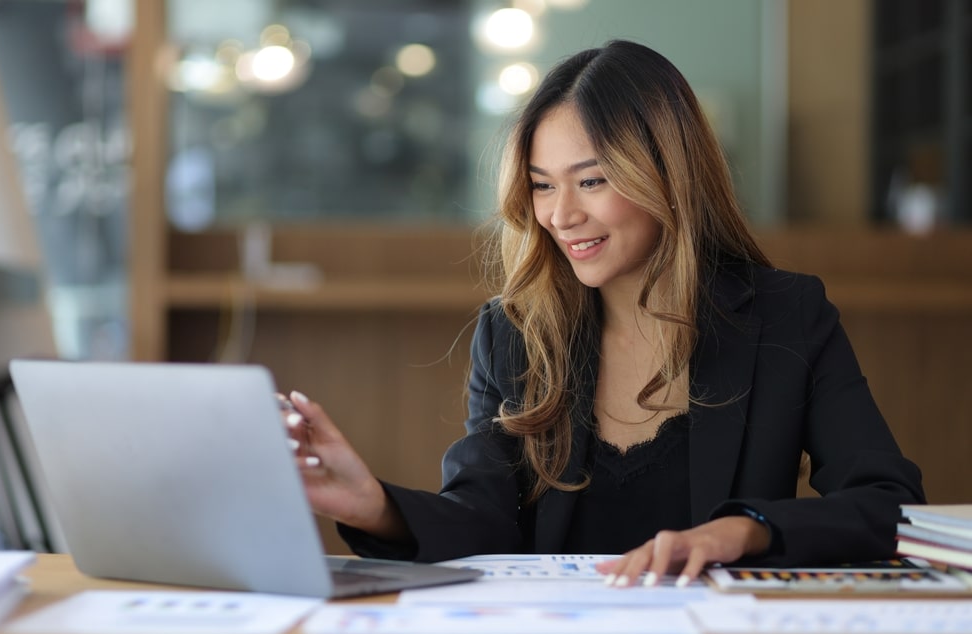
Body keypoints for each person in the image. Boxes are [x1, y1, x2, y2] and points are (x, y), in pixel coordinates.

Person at [280, 39, 925, 588]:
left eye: (591, 181)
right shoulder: (514, 332)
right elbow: (484, 514)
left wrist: (745, 531)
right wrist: (375, 507)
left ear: (667, 175)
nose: (561, 215)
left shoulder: (787, 315)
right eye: (541, 183)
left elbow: (888, 505)